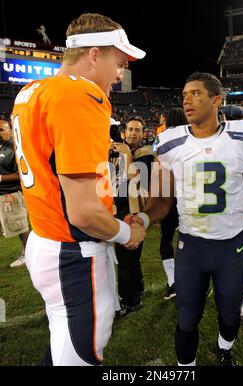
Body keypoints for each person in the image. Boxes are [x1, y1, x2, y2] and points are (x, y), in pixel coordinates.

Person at [11, 13, 146, 366]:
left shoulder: (33, 90)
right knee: (82, 356)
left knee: (63, 345)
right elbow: (84, 212)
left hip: (46, 240)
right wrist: (125, 232)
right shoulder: (80, 94)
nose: (120, 74)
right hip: (72, 251)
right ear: (95, 55)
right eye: (119, 63)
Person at [126, 72, 243, 366]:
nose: (187, 99)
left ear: (216, 100)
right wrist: (143, 220)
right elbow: (161, 201)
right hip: (192, 246)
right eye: (184, 94)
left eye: (196, 93)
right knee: (187, 318)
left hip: (232, 246)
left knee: (230, 312)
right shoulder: (169, 143)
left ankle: (224, 349)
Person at [115, 116, 153, 317]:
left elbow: (135, 179)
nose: (132, 133)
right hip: (120, 209)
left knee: (126, 257)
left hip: (134, 211)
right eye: (129, 129)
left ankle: (129, 300)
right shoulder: (122, 151)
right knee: (130, 256)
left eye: (137, 130)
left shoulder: (145, 153)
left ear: (143, 133)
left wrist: (124, 154)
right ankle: (137, 289)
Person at [159, 108, 188, 300]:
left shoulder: (162, 136)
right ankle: (191, 282)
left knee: (167, 237)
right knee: (192, 239)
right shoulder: (192, 134)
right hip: (189, 195)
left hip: (168, 195)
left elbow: (158, 170)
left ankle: (172, 282)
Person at [0, 118, 30, 267]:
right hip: (2, 195)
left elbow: (21, 174)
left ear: (10, 131)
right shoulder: (2, 147)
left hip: (11, 194)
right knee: (12, 225)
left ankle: (28, 255)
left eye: (2, 130)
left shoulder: (15, 149)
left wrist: (0, 178)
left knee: (20, 226)